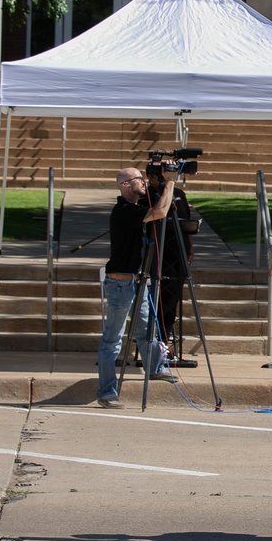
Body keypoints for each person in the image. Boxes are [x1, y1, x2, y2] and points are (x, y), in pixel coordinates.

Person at [96, 167, 176, 409]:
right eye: (137, 179)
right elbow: (160, 212)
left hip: (135, 279)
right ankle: (107, 392)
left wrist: (161, 183)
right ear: (124, 185)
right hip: (121, 283)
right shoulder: (123, 210)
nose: (142, 182)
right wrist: (170, 184)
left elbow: (158, 209)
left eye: (143, 178)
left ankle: (154, 368)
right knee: (113, 339)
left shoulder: (133, 208)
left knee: (145, 329)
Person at [146, 167, 193, 363]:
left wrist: (190, 249)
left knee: (173, 297)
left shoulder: (179, 194)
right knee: (158, 299)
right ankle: (153, 343)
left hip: (177, 252)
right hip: (156, 253)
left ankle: (165, 343)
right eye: (157, 176)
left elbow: (187, 223)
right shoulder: (148, 195)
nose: (162, 179)